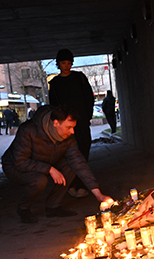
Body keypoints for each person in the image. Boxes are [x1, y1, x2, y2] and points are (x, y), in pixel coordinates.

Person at [1, 105, 112, 223]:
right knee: (39, 180)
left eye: (73, 127)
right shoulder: (28, 131)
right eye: (69, 127)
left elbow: (79, 163)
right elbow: (20, 162)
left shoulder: (68, 137)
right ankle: (24, 209)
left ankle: (53, 206)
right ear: (55, 123)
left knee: (71, 166)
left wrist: (98, 194)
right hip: (15, 166)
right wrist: (49, 169)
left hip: (46, 161)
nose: (72, 131)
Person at [48, 49, 94, 199]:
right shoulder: (55, 84)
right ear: (58, 64)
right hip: (65, 126)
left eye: (69, 63)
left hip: (81, 122)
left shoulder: (79, 78)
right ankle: (71, 185)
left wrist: (87, 116)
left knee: (83, 149)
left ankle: (80, 184)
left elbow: (89, 97)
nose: (66, 66)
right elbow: (53, 105)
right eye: (63, 63)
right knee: (68, 154)